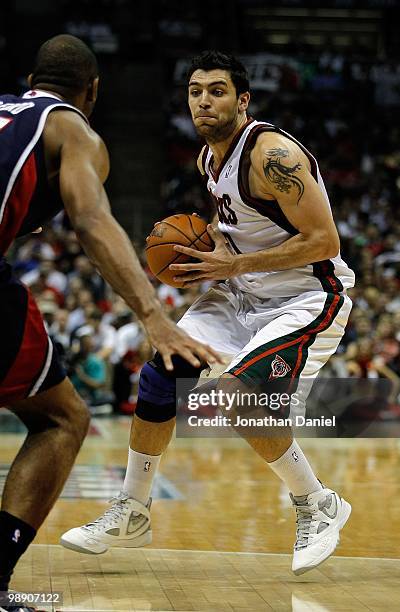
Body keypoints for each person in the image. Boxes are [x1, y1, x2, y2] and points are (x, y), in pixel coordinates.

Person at [61, 50, 355, 576]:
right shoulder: (207, 159)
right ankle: (132, 510)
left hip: (306, 296)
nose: (203, 101)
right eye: (195, 92)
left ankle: (318, 503)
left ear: (242, 100)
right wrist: (209, 249)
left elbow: (323, 240)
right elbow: (235, 227)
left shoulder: (271, 155)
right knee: (161, 372)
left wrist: (233, 263)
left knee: (234, 399)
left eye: (216, 91)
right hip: (240, 290)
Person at [0, 36, 220, 611]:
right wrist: (156, 318)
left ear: (29, 79)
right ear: (92, 91)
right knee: (61, 419)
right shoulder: (71, 130)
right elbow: (92, 219)